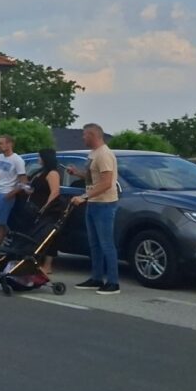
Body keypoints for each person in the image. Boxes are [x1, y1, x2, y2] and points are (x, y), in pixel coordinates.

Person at [69, 124, 120, 294]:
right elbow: (94, 177)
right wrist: (77, 173)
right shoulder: (93, 154)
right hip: (93, 202)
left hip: (104, 204)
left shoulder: (104, 154)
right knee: (94, 244)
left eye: (84, 135)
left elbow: (106, 182)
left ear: (93, 135)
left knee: (106, 244)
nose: (83, 138)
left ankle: (113, 282)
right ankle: (96, 278)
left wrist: (83, 197)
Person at [24, 148, 64, 273]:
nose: (38, 159)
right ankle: (35, 260)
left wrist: (45, 206)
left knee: (49, 236)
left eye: (40, 157)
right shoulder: (41, 172)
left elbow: (55, 191)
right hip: (35, 207)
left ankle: (48, 265)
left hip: (49, 209)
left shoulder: (52, 173)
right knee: (37, 234)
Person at [0, 135, 28, 252]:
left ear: (9, 144)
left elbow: (23, 181)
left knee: (0, 225)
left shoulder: (17, 160)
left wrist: (11, 193)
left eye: (1, 143)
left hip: (5, 194)